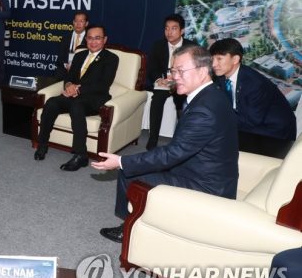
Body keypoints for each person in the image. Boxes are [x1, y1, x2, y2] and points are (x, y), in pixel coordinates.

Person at [94, 45, 239, 243]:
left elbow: (173, 153)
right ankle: (135, 221)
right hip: (204, 171)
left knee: (128, 172)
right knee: (138, 166)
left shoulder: (205, 109)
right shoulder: (212, 94)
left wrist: (121, 161)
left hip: (205, 185)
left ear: (203, 71)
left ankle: (128, 226)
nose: (174, 77)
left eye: (181, 71)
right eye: (173, 71)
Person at [34, 24, 119, 171]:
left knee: (76, 106)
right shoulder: (79, 55)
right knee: (52, 102)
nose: (93, 42)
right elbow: (69, 77)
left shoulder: (111, 58)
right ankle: (42, 144)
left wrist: (77, 90)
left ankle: (81, 155)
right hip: (74, 96)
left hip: (94, 99)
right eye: (90, 38)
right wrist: (68, 86)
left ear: (105, 40)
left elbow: (103, 84)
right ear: (86, 39)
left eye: (97, 38)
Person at [210, 38, 296, 159]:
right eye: (212, 59)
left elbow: (250, 121)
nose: (213, 64)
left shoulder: (254, 84)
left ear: (235, 59)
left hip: (273, 133)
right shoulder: (221, 77)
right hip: (248, 125)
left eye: (219, 58)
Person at [145, 14, 196, 150]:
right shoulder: (158, 45)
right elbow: (152, 68)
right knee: (156, 100)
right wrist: (158, 79)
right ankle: (153, 139)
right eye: (167, 28)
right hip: (164, 82)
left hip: (181, 83)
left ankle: (182, 139)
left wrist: (179, 80)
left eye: (174, 28)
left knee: (182, 104)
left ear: (182, 31)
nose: (169, 32)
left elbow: (194, 70)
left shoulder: (191, 47)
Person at [54, 11, 89, 80]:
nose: (78, 24)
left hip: (82, 73)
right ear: (73, 22)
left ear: (86, 23)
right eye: (76, 21)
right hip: (65, 72)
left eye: (81, 21)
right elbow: (60, 59)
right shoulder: (66, 38)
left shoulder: (89, 39)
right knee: (58, 72)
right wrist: (66, 65)